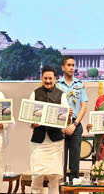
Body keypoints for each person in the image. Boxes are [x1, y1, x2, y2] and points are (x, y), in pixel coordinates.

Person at [29, 65, 73, 194]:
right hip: (38, 142)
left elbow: (66, 122)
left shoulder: (61, 95)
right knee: (37, 176)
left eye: (50, 78)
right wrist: (33, 123)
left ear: (55, 79)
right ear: (41, 78)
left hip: (55, 142)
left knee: (54, 178)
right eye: (45, 78)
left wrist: (69, 116)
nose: (48, 81)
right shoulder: (34, 93)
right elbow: (30, 119)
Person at [56, 55, 88, 182]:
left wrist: (74, 124)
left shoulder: (79, 84)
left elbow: (83, 107)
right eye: (68, 65)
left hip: (75, 125)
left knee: (75, 164)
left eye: (73, 65)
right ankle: (61, 190)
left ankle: (74, 190)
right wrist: (62, 126)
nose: (71, 68)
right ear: (63, 67)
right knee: (60, 164)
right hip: (60, 127)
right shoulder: (57, 85)